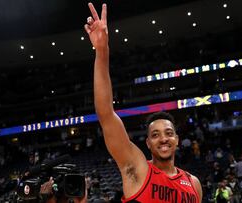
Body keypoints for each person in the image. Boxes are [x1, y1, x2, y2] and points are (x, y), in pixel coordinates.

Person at [84, 3, 202, 203]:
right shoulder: (137, 169)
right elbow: (105, 113)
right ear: (147, 143)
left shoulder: (194, 184)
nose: (163, 139)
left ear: (177, 140)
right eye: (155, 135)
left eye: (168, 133)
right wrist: (102, 52)